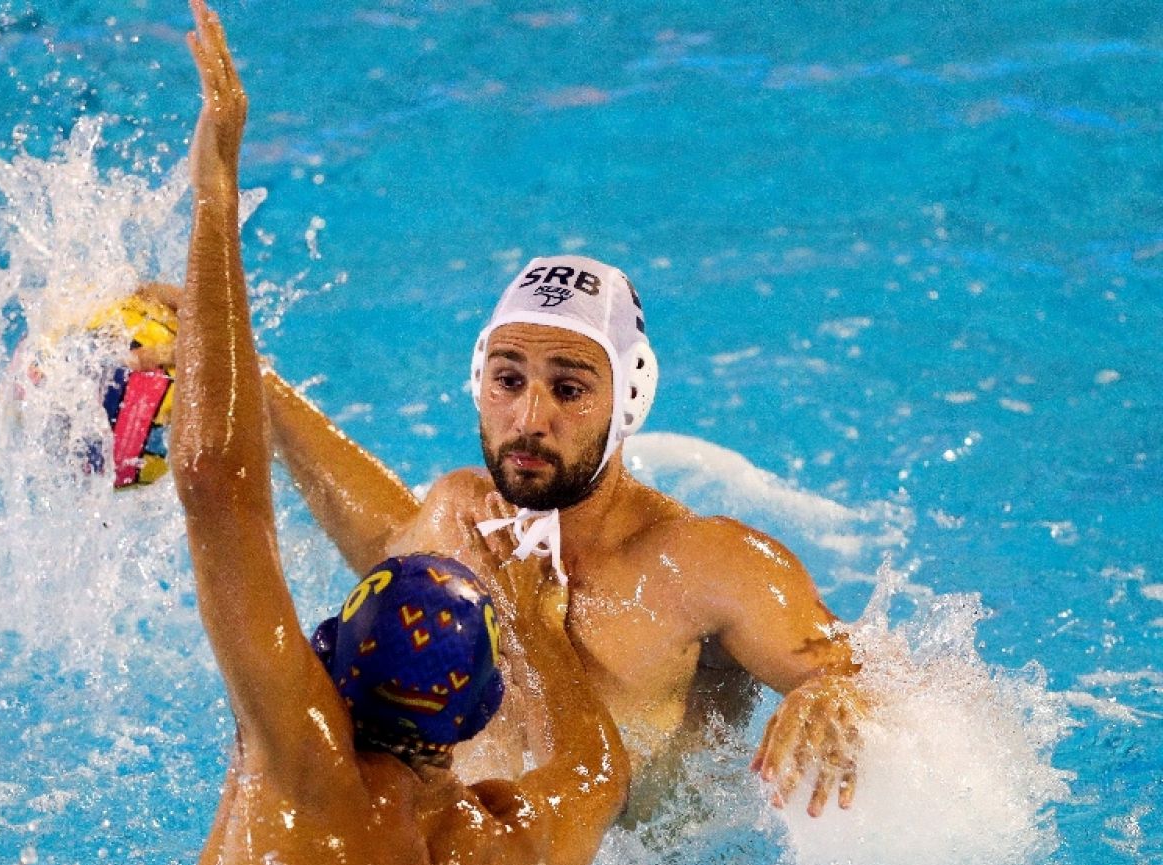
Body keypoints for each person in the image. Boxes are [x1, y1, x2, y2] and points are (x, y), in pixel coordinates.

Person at [171, 2, 629, 865]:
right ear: (481, 711)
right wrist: (536, 629)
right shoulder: (490, 847)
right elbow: (593, 778)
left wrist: (215, 198)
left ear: (333, 667)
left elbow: (215, 482)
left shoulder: (299, 765)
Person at [259, 264, 868, 815]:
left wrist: (834, 693)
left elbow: (870, 680)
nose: (528, 419)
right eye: (507, 380)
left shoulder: (707, 566)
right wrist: (252, 380)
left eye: (569, 390)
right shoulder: (459, 517)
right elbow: (388, 542)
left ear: (628, 398)